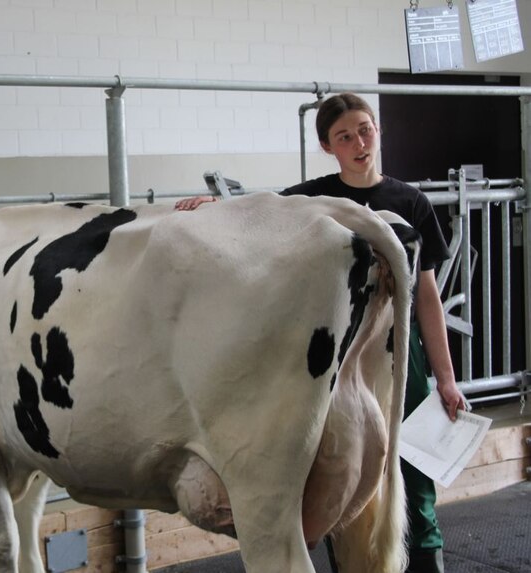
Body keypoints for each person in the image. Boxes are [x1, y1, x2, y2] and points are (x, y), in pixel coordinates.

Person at [175, 93, 466, 573]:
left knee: (411, 466)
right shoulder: (315, 200)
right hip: (338, 355)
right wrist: (215, 207)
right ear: (328, 146)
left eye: (365, 130)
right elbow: (259, 213)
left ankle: (426, 560)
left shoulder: (410, 202)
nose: (359, 142)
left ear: (378, 130)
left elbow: (428, 297)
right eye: (345, 136)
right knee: (338, 466)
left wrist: (447, 379)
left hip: (397, 352)